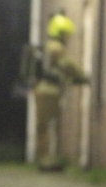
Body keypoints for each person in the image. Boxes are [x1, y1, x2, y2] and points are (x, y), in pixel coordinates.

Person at [34, 12, 89, 170]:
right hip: (49, 90)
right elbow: (67, 65)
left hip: (43, 89)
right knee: (46, 126)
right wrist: (82, 76)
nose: (68, 38)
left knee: (43, 126)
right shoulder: (56, 47)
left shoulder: (48, 46)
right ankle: (45, 160)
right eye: (67, 34)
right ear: (61, 33)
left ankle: (45, 159)